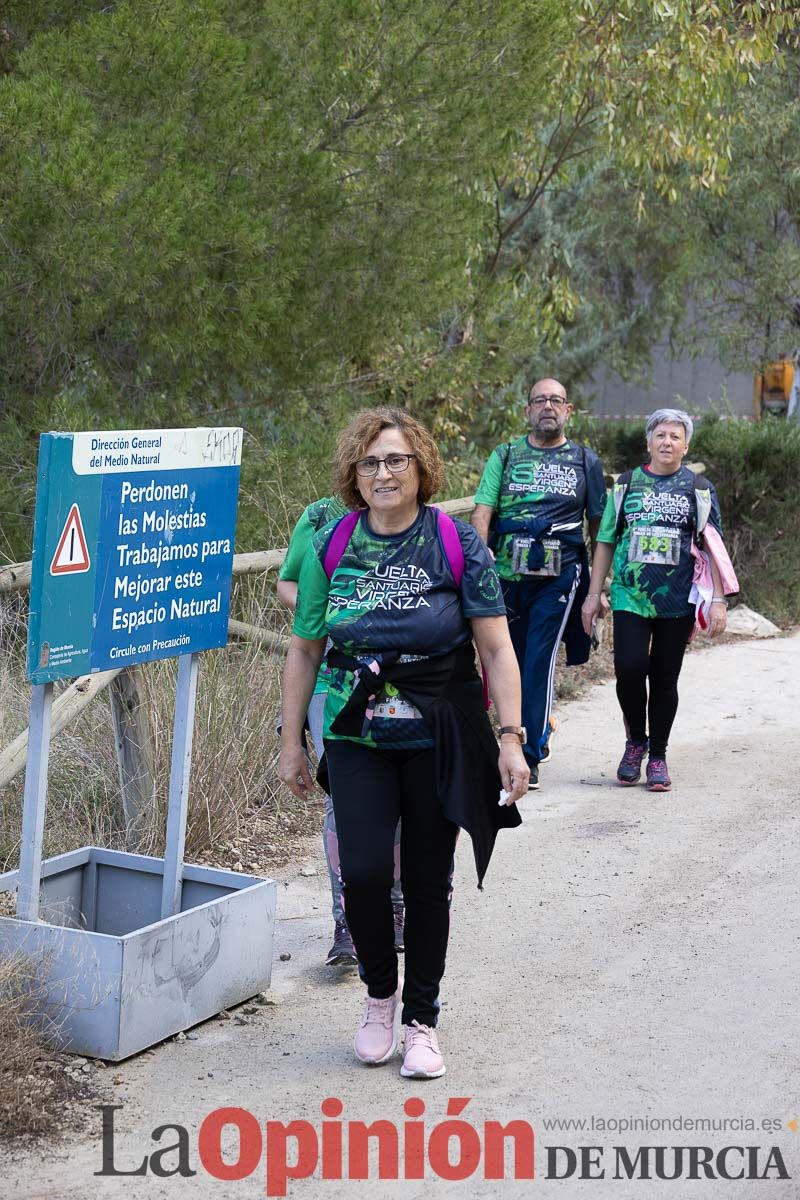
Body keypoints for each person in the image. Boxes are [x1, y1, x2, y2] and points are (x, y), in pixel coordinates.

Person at [279, 407, 528, 1079]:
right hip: (356, 728)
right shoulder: (333, 542)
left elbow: (497, 649)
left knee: (426, 880)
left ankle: (421, 1019)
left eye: (396, 460)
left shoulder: (454, 542)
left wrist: (510, 739)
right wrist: (291, 742)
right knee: (361, 870)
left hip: (438, 728)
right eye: (370, 462)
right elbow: (304, 649)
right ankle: (380, 997)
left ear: (420, 468)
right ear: (353, 475)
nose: (383, 473)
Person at [277, 496, 405, 966]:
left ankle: (394, 909)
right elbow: (287, 583)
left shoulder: (418, 520)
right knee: (343, 799)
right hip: (330, 677)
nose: (377, 472)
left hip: (399, 680)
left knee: (400, 799)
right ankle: (347, 921)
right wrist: (332, 605)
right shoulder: (319, 518)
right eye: (365, 460)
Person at [581, 408, 731, 792]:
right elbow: (605, 541)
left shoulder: (699, 489)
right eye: (660, 435)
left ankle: (659, 755)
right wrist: (594, 594)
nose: (667, 442)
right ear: (648, 442)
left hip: (677, 599)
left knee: (665, 677)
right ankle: (636, 743)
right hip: (630, 596)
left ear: (686, 445)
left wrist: (717, 600)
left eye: (675, 436)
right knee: (629, 669)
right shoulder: (627, 485)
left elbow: (713, 548)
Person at [471, 377, 607, 790]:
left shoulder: (586, 461)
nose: (548, 406)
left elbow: (600, 526)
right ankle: (508, 738)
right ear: (528, 410)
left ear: (569, 411)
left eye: (556, 400)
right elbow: (482, 513)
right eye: (540, 400)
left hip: (560, 575)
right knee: (505, 659)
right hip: (507, 576)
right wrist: (481, 558)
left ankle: (529, 753)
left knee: (539, 660)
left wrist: (599, 587)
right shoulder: (506, 455)